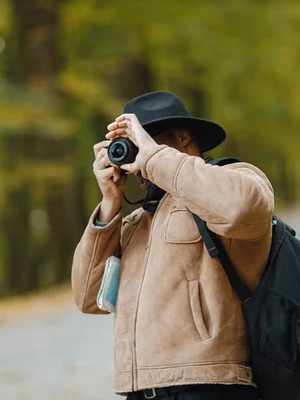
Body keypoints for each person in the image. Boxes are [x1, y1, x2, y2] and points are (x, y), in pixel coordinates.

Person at [71, 91, 274, 400]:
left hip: (209, 384)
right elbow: (89, 297)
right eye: (132, 145)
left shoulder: (232, 178)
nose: (139, 154)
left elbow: (243, 208)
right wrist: (110, 203)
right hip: (140, 391)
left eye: (147, 139)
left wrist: (152, 157)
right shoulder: (136, 223)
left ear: (182, 137)